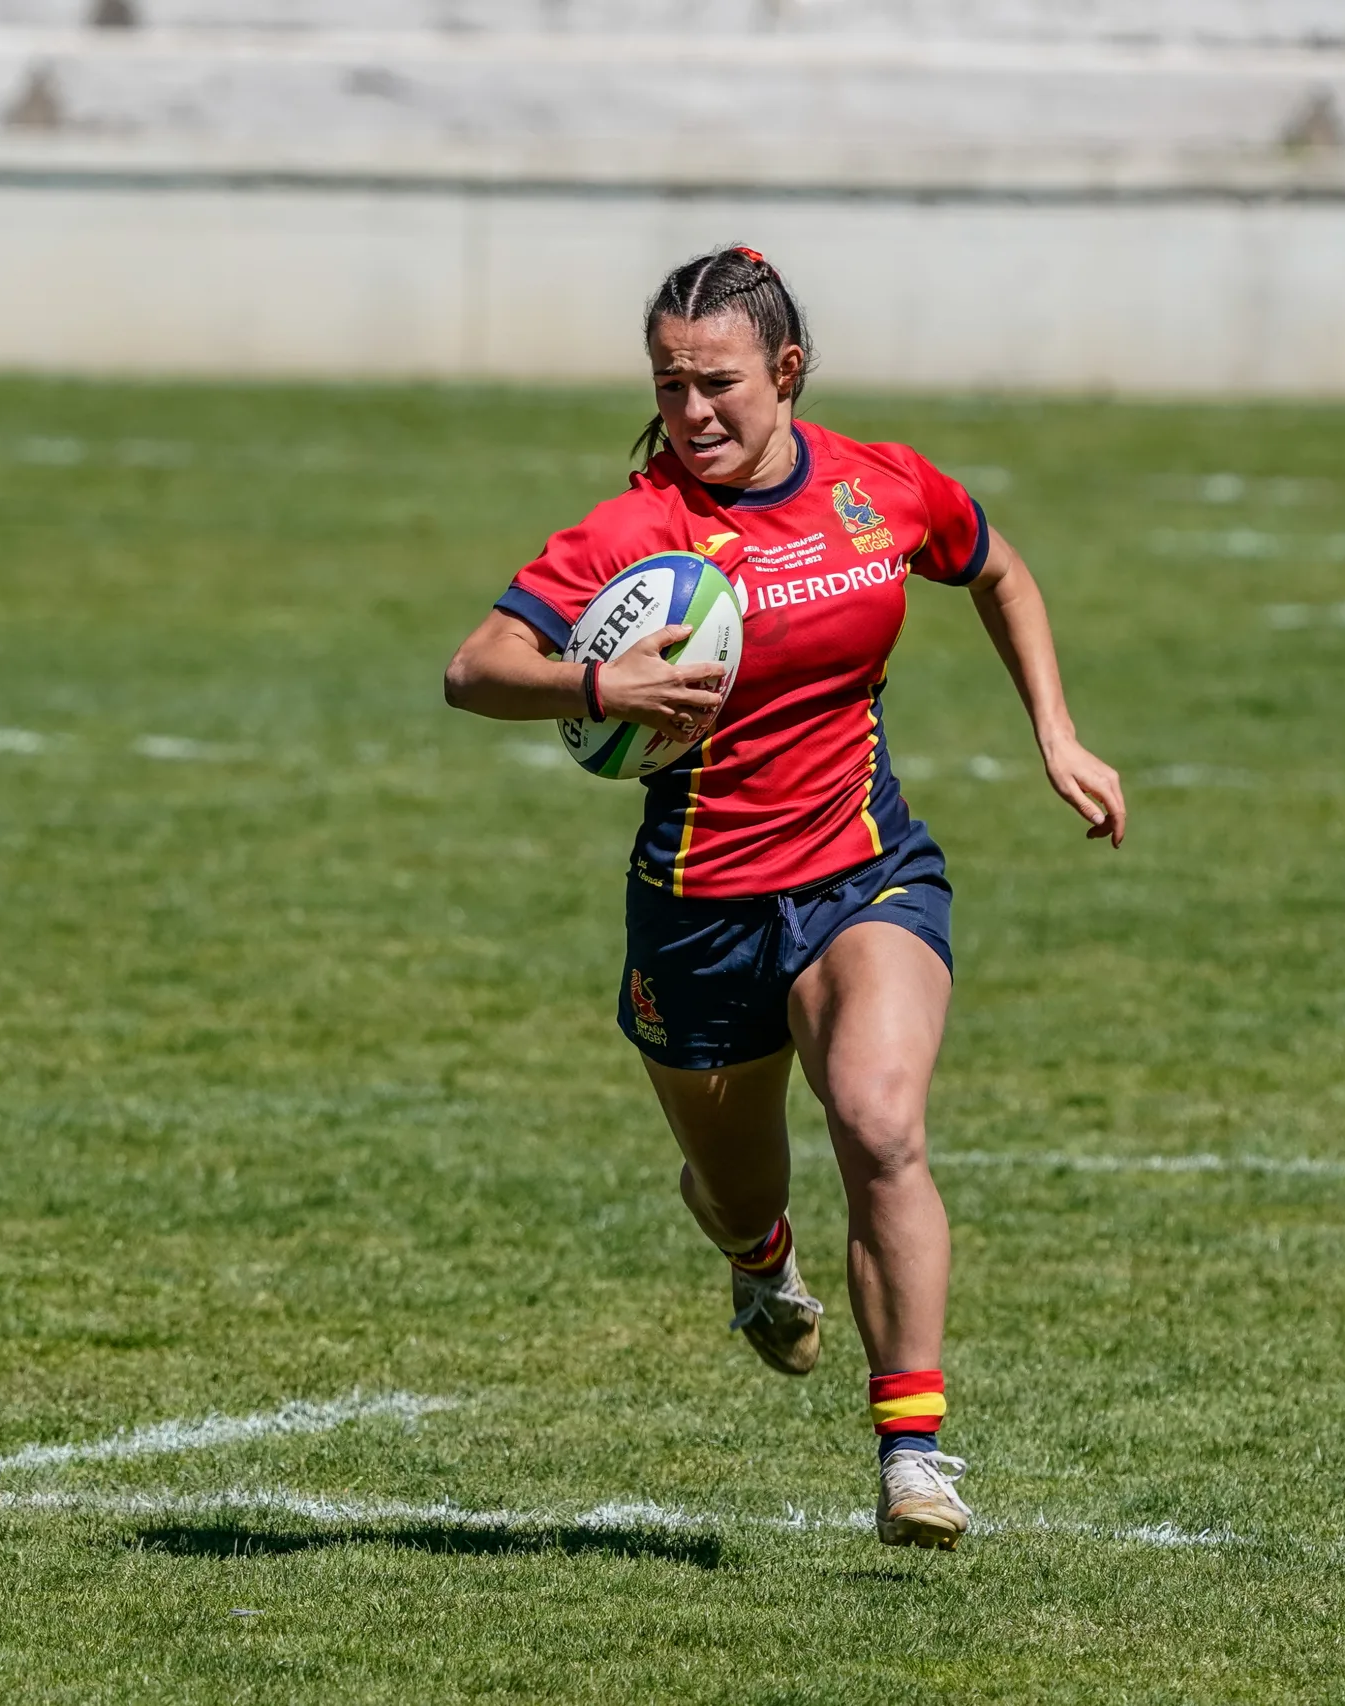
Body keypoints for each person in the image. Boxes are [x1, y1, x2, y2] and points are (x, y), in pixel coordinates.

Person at [444, 246, 1126, 1549]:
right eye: (670, 385)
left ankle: (914, 1451)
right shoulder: (634, 529)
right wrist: (602, 689)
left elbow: (997, 567)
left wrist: (1057, 732)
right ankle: (756, 1252)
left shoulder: (881, 487)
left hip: (865, 867)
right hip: (700, 907)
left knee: (879, 1123)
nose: (694, 412)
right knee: (745, 1186)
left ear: (787, 372)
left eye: (718, 382)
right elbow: (477, 668)